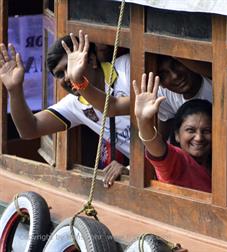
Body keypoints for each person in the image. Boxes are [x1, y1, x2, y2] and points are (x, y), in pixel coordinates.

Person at [0, 30, 130, 187]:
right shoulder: (75, 104)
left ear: (92, 60)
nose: (67, 77)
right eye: (60, 74)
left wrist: (133, 167)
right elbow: (29, 129)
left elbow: (161, 118)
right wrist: (14, 90)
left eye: (70, 66)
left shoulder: (126, 68)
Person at [156, 55, 227, 198]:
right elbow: (155, 141)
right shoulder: (166, 93)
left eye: (177, 64)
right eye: (163, 74)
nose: (175, 75)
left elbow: (218, 63)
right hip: (221, 170)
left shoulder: (218, 78)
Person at [133, 72, 212, 192]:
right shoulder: (177, 161)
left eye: (206, 131)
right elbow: (155, 147)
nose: (199, 138)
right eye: (190, 130)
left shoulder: (218, 164)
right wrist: (144, 121)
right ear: (177, 135)